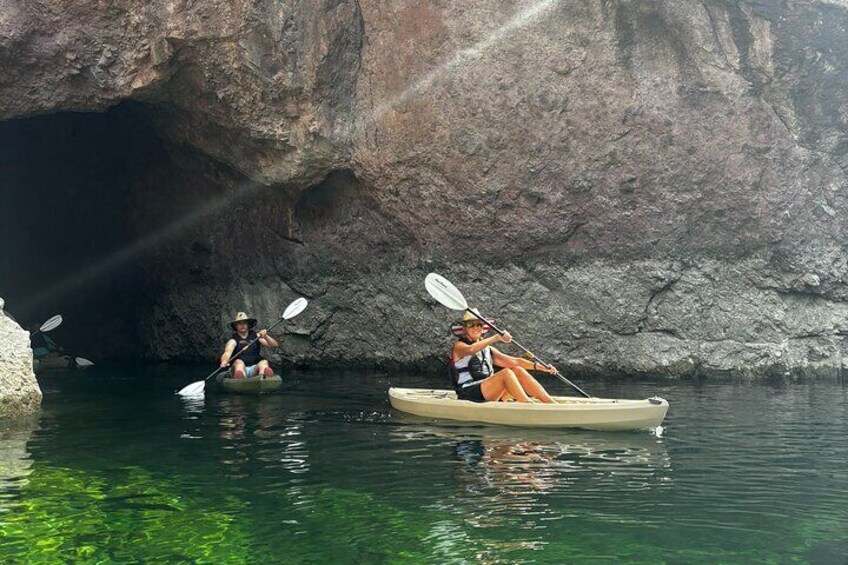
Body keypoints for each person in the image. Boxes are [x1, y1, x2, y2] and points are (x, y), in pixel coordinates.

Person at [450, 311, 557, 403]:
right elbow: (471, 350)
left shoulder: (488, 349)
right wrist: (496, 337)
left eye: (479, 324)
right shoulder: (459, 347)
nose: (476, 328)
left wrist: (544, 368)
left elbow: (514, 361)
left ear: (483, 328)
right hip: (468, 392)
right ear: (465, 329)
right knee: (506, 373)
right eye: (471, 325)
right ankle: (527, 404)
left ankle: (551, 403)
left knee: (517, 370)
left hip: (489, 391)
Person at [220, 312, 279, 379]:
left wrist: (266, 337)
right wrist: (224, 361)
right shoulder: (233, 341)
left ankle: (262, 377)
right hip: (238, 368)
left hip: (254, 369)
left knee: (264, 362)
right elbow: (227, 353)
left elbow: (274, 345)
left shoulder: (256, 336)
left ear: (248, 324)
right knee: (238, 362)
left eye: (244, 323)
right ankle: (241, 378)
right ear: (235, 326)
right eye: (239, 323)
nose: (242, 325)